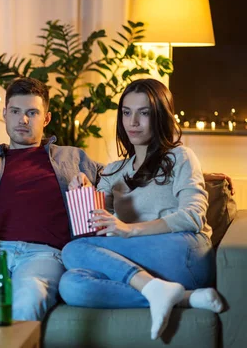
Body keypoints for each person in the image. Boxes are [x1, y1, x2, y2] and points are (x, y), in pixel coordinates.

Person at [59, 78, 224, 340]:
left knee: (72, 250)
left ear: (160, 116)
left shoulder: (180, 157)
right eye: (126, 112)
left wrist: (130, 230)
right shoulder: (113, 170)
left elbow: (193, 216)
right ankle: (180, 297)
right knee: (71, 285)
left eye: (143, 113)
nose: (133, 122)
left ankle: (166, 290)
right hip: (140, 263)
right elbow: (95, 229)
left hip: (184, 252)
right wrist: (82, 191)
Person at [0, 77, 102, 321]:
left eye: (32, 113)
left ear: (46, 119)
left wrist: (88, 191)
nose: (23, 120)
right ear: (5, 113)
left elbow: (123, 178)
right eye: (15, 111)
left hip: (45, 254)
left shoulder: (76, 159)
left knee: (29, 295)